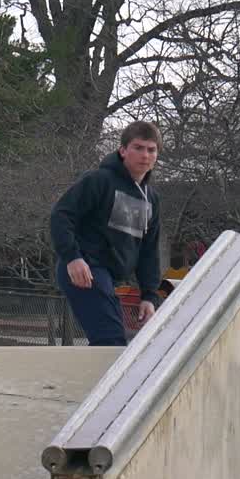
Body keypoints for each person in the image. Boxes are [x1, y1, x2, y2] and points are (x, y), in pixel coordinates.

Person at [49, 120, 163, 346]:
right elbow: (61, 216)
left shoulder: (151, 198)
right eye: (138, 148)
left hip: (110, 276)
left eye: (151, 150)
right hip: (84, 269)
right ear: (123, 151)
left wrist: (149, 296)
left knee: (117, 342)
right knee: (109, 340)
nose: (145, 155)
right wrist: (72, 257)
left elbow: (149, 250)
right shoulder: (99, 181)